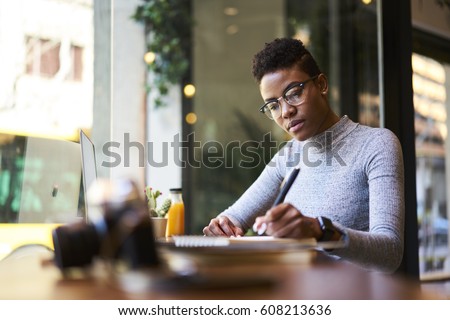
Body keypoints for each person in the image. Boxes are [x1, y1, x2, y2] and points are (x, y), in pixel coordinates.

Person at [202, 38, 405, 273]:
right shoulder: (287, 156)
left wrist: (319, 231)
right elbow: (234, 217)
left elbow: (391, 251)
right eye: (273, 106)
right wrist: (221, 227)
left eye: (294, 93)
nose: (286, 111)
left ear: (321, 84)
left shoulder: (376, 144)